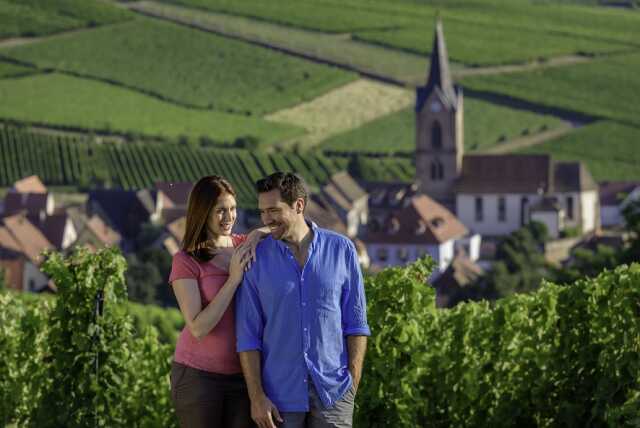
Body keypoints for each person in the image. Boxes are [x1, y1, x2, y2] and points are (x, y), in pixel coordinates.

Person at [235, 172, 370, 428]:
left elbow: (356, 324)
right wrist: (257, 398)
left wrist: (351, 384)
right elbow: (247, 336)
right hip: (278, 398)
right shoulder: (255, 260)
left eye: (273, 210)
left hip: (334, 393)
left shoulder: (342, 250)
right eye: (262, 212)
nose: (266, 219)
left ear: (299, 205)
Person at [168, 175, 267, 428]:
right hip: (199, 378)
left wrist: (257, 233)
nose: (229, 217)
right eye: (220, 211)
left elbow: (276, 230)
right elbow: (198, 327)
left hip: (243, 375)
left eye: (233, 209)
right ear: (203, 213)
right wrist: (233, 280)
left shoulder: (244, 245)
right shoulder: (186, 260)